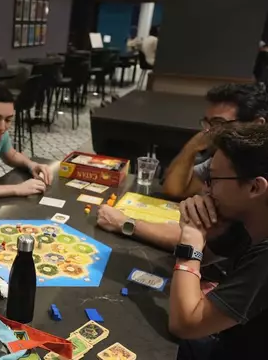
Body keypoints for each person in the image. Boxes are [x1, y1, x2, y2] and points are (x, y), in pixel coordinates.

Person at [96, 83, 268, 251]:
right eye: (207, 123)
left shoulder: (247, 169)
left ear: (257, 124)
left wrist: (125, 223)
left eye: (219, 123)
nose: (209, 132)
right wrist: (194, 145)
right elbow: (175, 191)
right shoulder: (223, 156)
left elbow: (197, 240)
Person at [170, 123, 268, 360]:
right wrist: (202, 226)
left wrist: (192, 236)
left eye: (213, 179)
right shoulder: (250, 219)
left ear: (255, 187)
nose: (206, 188)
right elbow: (210, 253)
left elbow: (185, 324)